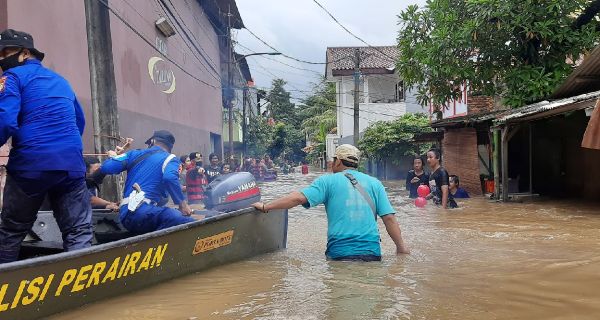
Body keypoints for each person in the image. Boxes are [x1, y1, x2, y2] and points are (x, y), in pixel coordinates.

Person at [0, 29, 93, 263]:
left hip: (30, 167)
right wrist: (62, 150)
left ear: (24, 53)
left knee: (11, 232)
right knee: (78, 232)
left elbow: (5, 120)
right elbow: (78, 121)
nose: (1, 59)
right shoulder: (61, 81)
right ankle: (83, 288)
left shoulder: (12, 78)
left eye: (5, 52)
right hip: (70, 166)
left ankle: (4, 287)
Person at [252, 144, 409, 261]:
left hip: (339, 254)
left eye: (333, 160)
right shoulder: (375, 183)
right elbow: (389, 219)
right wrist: (401, 248)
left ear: (339, 161)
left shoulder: (327, 181)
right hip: (371, 254)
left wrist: (266, 206)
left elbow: (298, 198)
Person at [91, 130, 195, 234]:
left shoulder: (133, 153)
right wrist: (183, 205)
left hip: (125, 215)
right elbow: (170, 178)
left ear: (153, 141)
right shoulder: (170, 158)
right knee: (187, 222)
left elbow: (106, 167)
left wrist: (115, 157)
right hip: (143, 213)